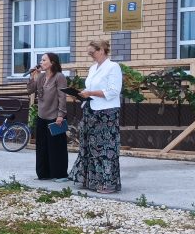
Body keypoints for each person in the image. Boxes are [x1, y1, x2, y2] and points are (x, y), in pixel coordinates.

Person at [68, 39, 123, 194]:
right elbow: (90, 88)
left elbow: (114, 91)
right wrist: (81, 94)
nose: (90, 55)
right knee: (90, 147)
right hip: (91, 111)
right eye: (89, 53)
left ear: (102, 50)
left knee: (105, 148)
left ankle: (108, 184)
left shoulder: (113, 67)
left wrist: (91, 93)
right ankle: (92, 181)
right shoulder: (93, 68)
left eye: (92, 52)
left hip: (106, 113)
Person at [27, 52, 69, 182]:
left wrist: (61, 115)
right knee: (42, 147)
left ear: (52, 63)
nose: (41, 62)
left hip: (55, 117)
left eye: (44, 60)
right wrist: (32, 77)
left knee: (56, 147)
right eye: (41, 60)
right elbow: (30, 90)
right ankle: (44, 173)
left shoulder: (59, 77)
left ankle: (60, 174)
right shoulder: (41, 77)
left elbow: (62, 97)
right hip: (42, 116)